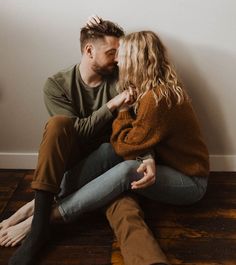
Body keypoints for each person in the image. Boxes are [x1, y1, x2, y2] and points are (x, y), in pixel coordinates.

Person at [2, 17, 170, 265]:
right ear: (89, 50)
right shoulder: (57, 85)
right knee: (58, 125)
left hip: (111, 162)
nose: (117, 59)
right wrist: (112, 105)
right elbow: (78, 132)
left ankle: (151, 261)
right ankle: (37, 232)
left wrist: (148, 158)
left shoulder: (120, 79)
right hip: (71, 165)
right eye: (111, 52)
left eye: (119, 53)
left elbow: (138, 128)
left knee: (126, 210)